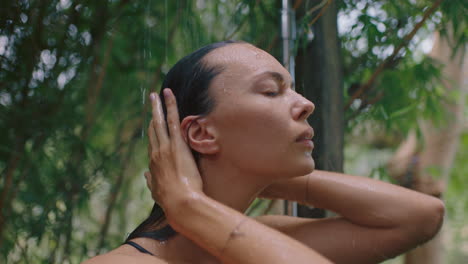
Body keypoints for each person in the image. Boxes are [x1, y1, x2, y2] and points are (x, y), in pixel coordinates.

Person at [83, 40, 444, 264]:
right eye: (272, 91)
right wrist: (188, 204)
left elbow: (422, 215)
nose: (306, 104)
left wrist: (263, 181)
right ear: (201, 133)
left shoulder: (261, 239)